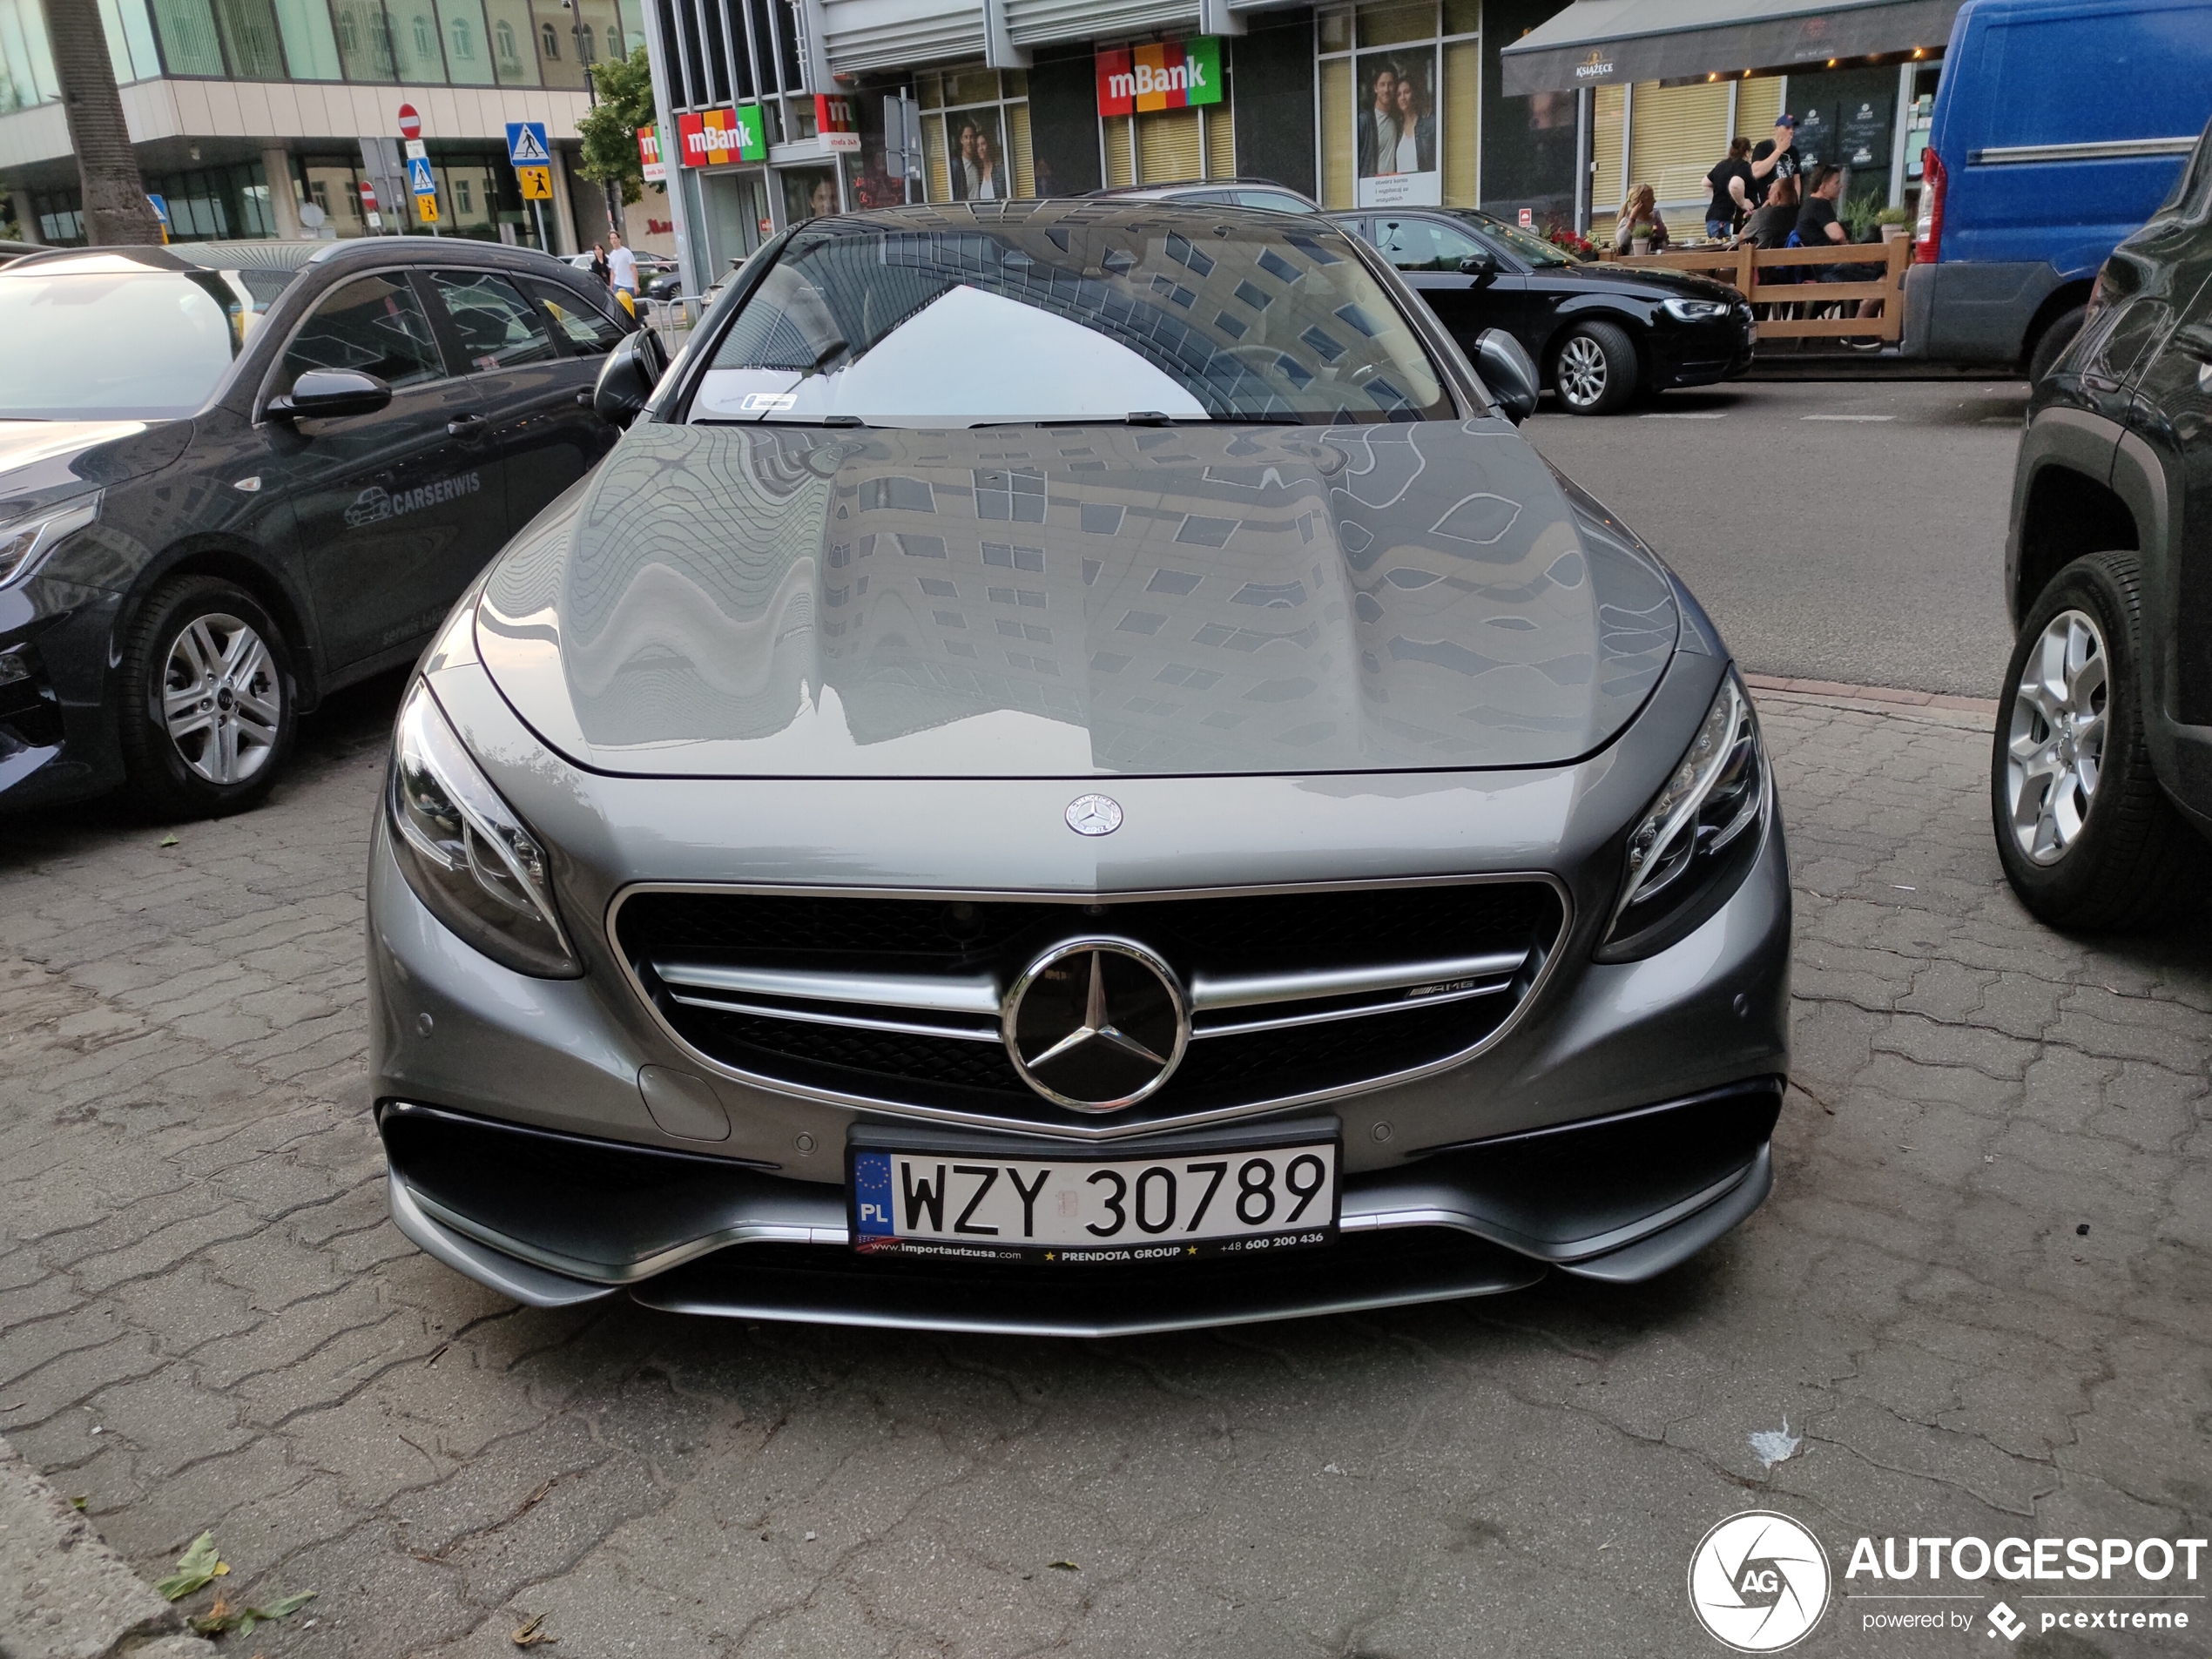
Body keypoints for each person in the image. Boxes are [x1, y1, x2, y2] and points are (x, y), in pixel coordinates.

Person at [1797, 163, 1885, 340]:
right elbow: (1836, 235)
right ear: (1823, 186)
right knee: (1885, 279)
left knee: (1879, 276)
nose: (1841, 186)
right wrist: (1851, 249)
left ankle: (1856, 329)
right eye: (1836, 183)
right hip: (1830, 269)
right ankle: (1856, 333)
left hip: (1818, 268)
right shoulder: (1820, 204)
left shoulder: (1807, 205)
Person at [1704, 137, 1754, 239]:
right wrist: (1742, 203)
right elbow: (1735, 185)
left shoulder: (1721, 165)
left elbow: (1705, 183)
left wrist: (1716, 199)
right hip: (1725, 220)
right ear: (1747, 152)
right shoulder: (1743, 166)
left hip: (1713, 218)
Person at [1749, 114, 1801, 206]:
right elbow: (1756, 172)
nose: (1791, 131)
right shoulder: (1764, 146)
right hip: (1767, 203)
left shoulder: (1794, 151)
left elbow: (1796, 180)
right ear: (1777, 129)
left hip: (1787, 205)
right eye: (1787, 128)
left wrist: (1796, 202)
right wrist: (1779, 150)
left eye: (1793, 128)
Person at [1358, 65, 1399, 177]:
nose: (1386, 90)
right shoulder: (1364, 121)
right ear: (1375, 88)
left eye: (1390, 84)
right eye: (1382, 85)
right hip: (1373, 188)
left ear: (1395, 87)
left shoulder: (1398, 120)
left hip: (1395, 187)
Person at [1392, 71, 1436, 175]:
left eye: (1406, 92)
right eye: (1399, 94)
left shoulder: (1428, 126)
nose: (1403, 97)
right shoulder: (1397, 130)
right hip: (1401, 188)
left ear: (1413, 94)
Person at [1743, 173, 1798, 248]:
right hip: (1793, 258)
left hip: (1764, 258)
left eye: (1770, 194)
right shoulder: (1800, 213)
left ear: (1777, 196)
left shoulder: (1763, 214)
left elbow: (1741, 237)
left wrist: (1762, 208)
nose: (1768, 197)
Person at [1613, 182, 1669, 252]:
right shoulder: (1627, 220)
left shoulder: (1656, 216)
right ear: (1640, 204)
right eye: (1650, 199)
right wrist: (1632, 219)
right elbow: (1621, 241)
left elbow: (1663, 239)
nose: (1654, 201)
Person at [970, 130, 1005, 201]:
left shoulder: (1000, 170)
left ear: (988, 145)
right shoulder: (978, 174)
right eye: (978, 146)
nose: (981, 148)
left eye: (983, 144)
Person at [948, 122, 977, 200]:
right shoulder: (955, 166)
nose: (969, 141)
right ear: (961, 140)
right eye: (966, 137)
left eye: (971, 137)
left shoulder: (979, 163)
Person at [606, 231, 638, 302]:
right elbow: (612, 272)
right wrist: (612, 286)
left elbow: (633, 269)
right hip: (617, 284)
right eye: (612, 239)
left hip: (629, 284)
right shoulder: (611, 255)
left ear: (619, 239)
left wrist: (636, 285)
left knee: (632, 305)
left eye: (615, 238)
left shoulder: (627, 252)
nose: (614, 240)